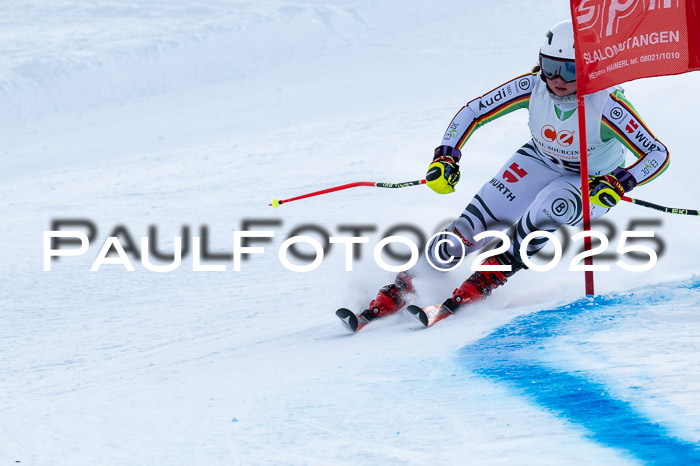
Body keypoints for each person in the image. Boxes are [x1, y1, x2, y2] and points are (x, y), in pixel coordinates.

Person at [358, 19, 669, 323]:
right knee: (470, 228)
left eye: (571, 69)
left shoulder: (607, 105)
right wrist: (446, 157)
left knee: (552, 203)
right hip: (540, 159)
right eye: (550, 67)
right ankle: (406, 285)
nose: (558, 78)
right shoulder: (532, 87)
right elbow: (474, 111)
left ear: (589, 69)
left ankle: (493, 272)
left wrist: (620, 182)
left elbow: (657, 153)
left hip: (591, 179)